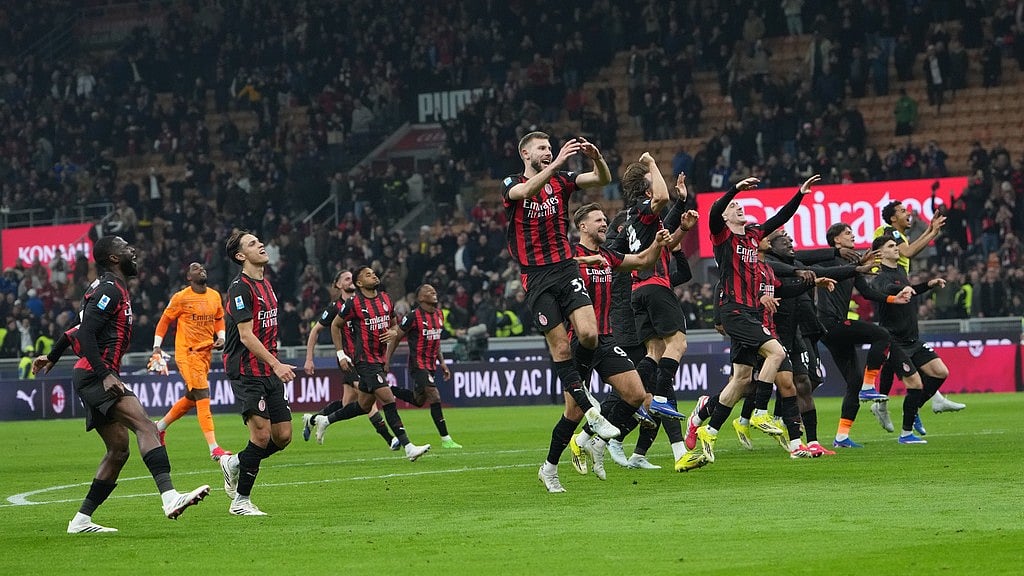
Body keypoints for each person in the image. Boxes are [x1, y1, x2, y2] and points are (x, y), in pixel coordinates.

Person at [33, 236, 209, 533]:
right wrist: (104, 374)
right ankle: (169, 497)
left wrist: (52, 355)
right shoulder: (109, 290)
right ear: (113, 258)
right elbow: (87, 334)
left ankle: (81, 520)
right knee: (147, 427)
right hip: (94, 374)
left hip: (91, 373)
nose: (133, 250)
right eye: (126, 247)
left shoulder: (110, 289)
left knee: (118, 450)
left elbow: (77, 328)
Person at [500, 132, 619, 493]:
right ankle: (588, 409)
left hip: (565, 268)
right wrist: (556, 164)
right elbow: (525, 193)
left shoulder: (562, 182)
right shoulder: (512, 183)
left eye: (551, 148)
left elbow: (602, 180)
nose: (549, 152)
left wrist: (596, 158)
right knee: (561, 350)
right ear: (525, 153)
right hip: (536, 279)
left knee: (588, 334)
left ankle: (585, 401)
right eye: (542, 148)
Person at [681, 174, 820, 470]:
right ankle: (758, 411)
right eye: (734, 206)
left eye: (740, 205)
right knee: (777, 353)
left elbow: (781, 216)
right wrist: (733, 190)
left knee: (741, 379)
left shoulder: (754, 236)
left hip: (753, 314)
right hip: (735, 311)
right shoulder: (721, 236)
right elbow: (716, 210)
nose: (738, 207)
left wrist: (800, 194)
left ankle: (708, 427)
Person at [567, 203, 676, 481]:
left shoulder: (608, 254)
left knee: (636, 393)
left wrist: (658, 243)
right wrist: (586, 262)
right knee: (574, 411)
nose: (603, 223)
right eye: (597, 219)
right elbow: (554, 267)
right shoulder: (571, 253)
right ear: (582, 226)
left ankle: (596, 442)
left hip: (608, 335)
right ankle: (558, 460)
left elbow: (641, 261)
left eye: (605, 219)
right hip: (579, 339)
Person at [609, 159, 695, 471]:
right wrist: (653, 163)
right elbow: (661, 198)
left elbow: (667, 238)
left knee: (655, 351)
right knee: (678, 344)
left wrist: (683, 221)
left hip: (638, 291)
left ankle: (598, 433)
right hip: (656, 286)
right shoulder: (646, 207)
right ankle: (659, 398)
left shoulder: (633, 219)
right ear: (645, 185)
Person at [316, 266, 431, 461]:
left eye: (373, 273)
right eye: (368, 275)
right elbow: (336, 325)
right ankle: (408, 446)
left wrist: (394, 332)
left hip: (378, 359)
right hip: (364, 361)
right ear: (359, 283)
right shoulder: (354, 303)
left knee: (363, 405)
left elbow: (394, 324)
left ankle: (325, 419)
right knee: (388, 399)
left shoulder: (386, 298)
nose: (374, 275)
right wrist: (341, 354)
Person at [218, 230, 296, 516]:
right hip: (246, 369)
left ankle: (234, 463)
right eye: (252, 244)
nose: (261, 244)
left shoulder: (267, 285)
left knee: (283, 436)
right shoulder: (240, 288)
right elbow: (247, 336)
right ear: (241, 256)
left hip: (268, 368)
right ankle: (240, 502)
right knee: (261, 436)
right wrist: (276, 363)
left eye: (259, 241)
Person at [813, 223, 907, 447]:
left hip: (833, 329)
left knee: (852, 383)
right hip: (831, 323)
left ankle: (842, 437)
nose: (852, 235)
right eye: (847, 233)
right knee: (882, 335)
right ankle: (869, 386)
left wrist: (894, 299)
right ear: (836, 241)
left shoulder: (853, 265)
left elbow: (867, 292)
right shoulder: (827, 261)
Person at [873, 201, 964, 418]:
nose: (908, 213)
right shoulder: (890, 232)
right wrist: (931, 232)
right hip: (890, 288)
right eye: (903, 211)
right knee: (894, 343)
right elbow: (910, 251)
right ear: (893, 218)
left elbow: (908, 249)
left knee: (903, 343)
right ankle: (882, 403)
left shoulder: (899, 236)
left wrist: (931, 231)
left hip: (900, 286)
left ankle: (929, 399)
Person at [301, 270, 397, 449]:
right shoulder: (335, 307)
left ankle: (314, 419)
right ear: (338, 285)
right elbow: (315, 331)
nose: (350, 280)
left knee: (348, 403)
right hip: (350, 360)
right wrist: (309, 358)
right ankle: (391, 439)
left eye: (352, 277)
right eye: (346, 278)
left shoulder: (364, 303)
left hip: (367, 357)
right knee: (372, 398)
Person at [870, 234, 950, 444]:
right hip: (894, 341)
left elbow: (910, 291)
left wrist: (928, 285)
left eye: (895, 245)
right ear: (880, 253)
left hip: (912, 338)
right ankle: (906, 434)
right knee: (914, 384)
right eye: (890, 246)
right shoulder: (879, 276)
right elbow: (886, 290)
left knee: (941, 372)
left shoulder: (900, 271)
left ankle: (913, 410)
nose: (896, 248)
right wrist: (901, 289)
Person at [152, 262, 231, 460]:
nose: (201, 269)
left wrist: (221, 336)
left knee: (191, 397)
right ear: (189, 277)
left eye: (203, 267)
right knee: (203, 394)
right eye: (195, 268)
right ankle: (214, 448)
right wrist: (156, 347)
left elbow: (219, 317)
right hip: (187, 354)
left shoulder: (214, 295)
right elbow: (164, 321)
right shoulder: (181, 297)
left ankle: (159, 427)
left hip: (205, 353)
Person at [383, 283, 462, 449]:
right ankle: (446, 439)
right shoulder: (413, 316)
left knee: (418, 400)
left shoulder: (439, 315)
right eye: (428, 290)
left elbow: (436, 341)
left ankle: (388, 389)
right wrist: (387, 359)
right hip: (417, 364)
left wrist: (442, 363)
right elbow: (396, 337)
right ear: (420, 298)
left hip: (431, 364)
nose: (433, 291)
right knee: (434, 395)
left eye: (434, 289)